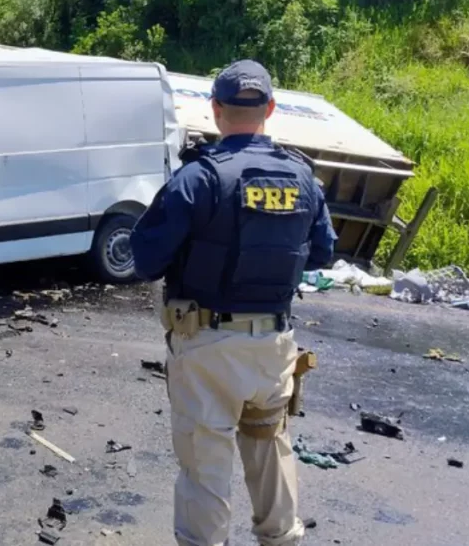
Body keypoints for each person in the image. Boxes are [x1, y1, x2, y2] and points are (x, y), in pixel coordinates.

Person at [129, 60, 336, 546]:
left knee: (206, 462)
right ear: (270, 108)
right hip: (273, 347)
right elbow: (322, 252)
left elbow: (145, 260)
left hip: (208, 346)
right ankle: (282, 538)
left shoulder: (198, 178)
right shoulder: (302, 177)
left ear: (216, 109)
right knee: (270, 449)